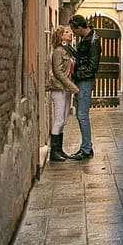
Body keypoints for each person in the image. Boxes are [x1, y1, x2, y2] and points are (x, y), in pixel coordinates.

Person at [68, 14, 102, 160]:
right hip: (82, 81)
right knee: (80, 115)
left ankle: (87, 150)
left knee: (82, 116)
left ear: (80, 27)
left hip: (85, 82)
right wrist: (69, 49)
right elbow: (83, 58)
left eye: (73, 30)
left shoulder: (93, 41)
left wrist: (77, 75)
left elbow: (92, 67)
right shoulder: (86, 39)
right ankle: (85, 147)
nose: (73, 32)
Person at [46, 25, 80, 162]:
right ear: (61, 36)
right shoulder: (58, 51)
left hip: (66, 89)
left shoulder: (68, 51)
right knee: (59, 119)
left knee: (64, 120)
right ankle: (54, 153)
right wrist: (73, 87)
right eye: (66, 32)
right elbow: (58, 73)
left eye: (70, 32)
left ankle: (59, 150)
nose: (70, 34)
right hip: (59, 89)